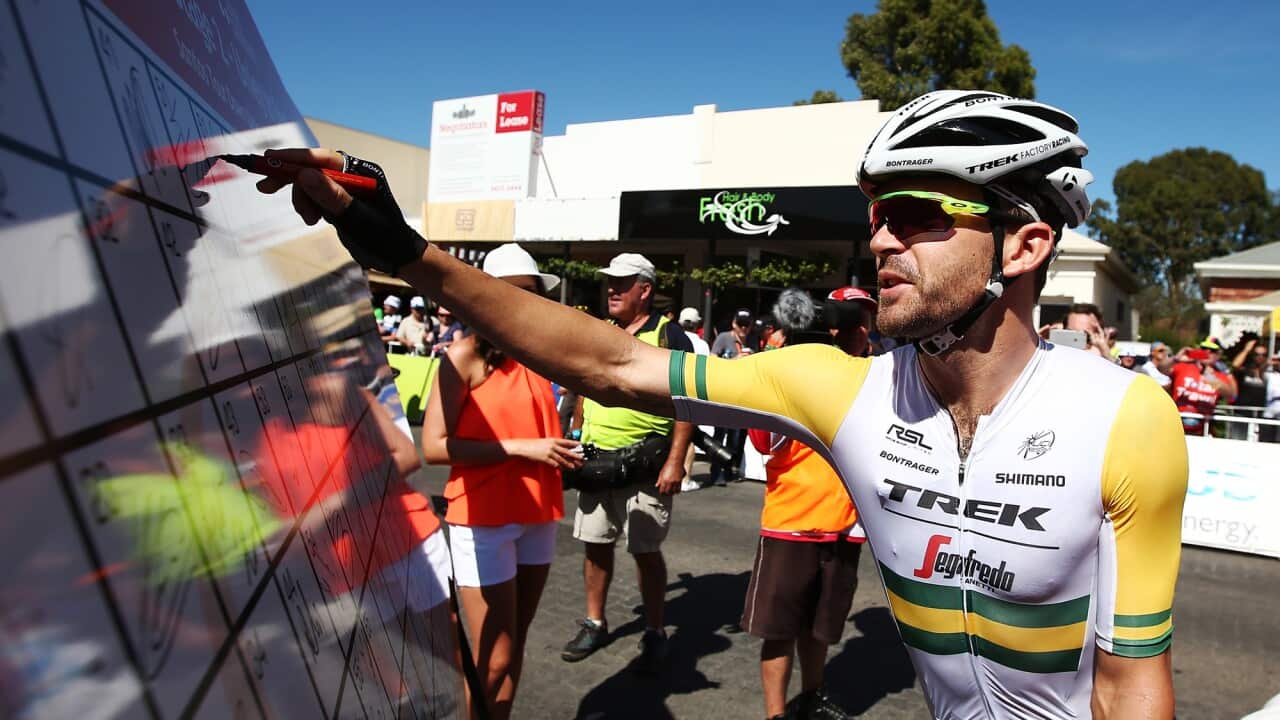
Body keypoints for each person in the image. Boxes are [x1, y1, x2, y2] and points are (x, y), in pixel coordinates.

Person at [252, 89, 1188, 718]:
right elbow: (616, 365)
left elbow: (1130, 683)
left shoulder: (1125, 419)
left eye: (918, 213)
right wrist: (404, 250)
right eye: (875, 214)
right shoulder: (835, 386)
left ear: (1023, 248)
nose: (881, 239)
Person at [420, 243, 576, 720]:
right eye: (511, 293)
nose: (522, 303)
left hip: (538, 513)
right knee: (494, 660)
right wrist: (522, 447)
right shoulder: (462, 357)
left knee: (514, 650)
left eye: (530, 293)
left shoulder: (544, 355)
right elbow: (432, 447)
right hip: (482, 518)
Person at [563, 252, 695, 674]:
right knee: (595, 546)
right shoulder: (599, 331)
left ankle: (654, 630)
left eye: (622, 283)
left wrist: (676, 461)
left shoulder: (670, 336)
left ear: (646, 289)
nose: (612, 290)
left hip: (646, 463)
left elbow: (688, 403)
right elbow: (584, 386)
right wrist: (578, 432)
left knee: (645, 550)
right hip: (596, 457)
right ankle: (595, 622)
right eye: (610, 283)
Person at [743, 288, 870, 720]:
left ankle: (812, 696)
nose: (863, 329)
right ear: (832, 327)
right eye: (854, 320)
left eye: (866, 319)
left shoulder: (870, 375)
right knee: (779, 632)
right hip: (790, 524)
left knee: (820, 629)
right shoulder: (788, 370)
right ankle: (776, 714)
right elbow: (763, 439)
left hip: (846, 526)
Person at [707, 309, 755, 484]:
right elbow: (711, 362)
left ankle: (730, 468)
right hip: (723, 395)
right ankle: (716, 471)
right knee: (720, 434)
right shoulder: (724, 338)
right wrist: (735, 360)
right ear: (734, 323)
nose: (743, 328)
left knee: (736, 438)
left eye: (746, 325)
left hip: (742, 397)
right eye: (740, 324)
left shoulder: (753, 341)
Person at [1168, 347, 1220, 435]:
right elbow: (1161, 369)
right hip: (1176, 426)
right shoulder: (1182, 366)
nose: (1207, 352)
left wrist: (1207, 375)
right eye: (1204, 349)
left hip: (1203, 430)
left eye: (1212, 351)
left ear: (1218, 355)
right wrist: (1176, 358)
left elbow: (1231, 395)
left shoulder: (1219, 374)